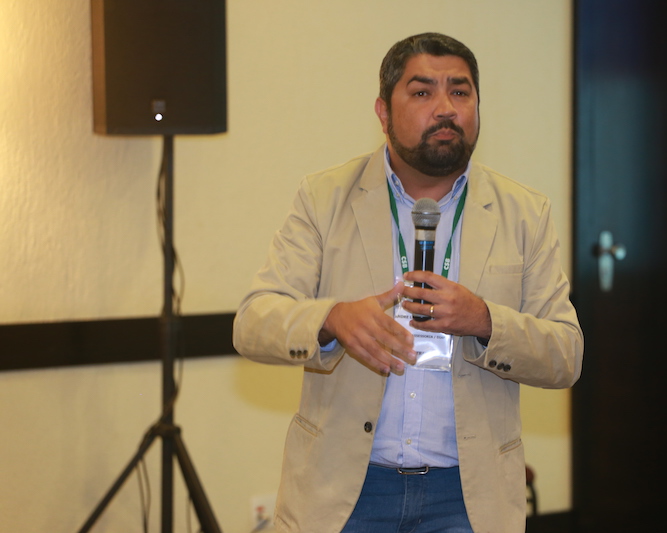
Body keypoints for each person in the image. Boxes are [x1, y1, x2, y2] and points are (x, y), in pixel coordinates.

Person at [233, 32, 583, 533]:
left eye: (460, 91)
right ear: (383, 112)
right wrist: (331, 319)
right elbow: (253, 322)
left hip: (468, 497)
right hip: (344, 491)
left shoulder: (524, 212)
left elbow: (566, 353)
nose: (445, 108)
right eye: (422, 92)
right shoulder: (324, 198)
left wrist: (485, 321)